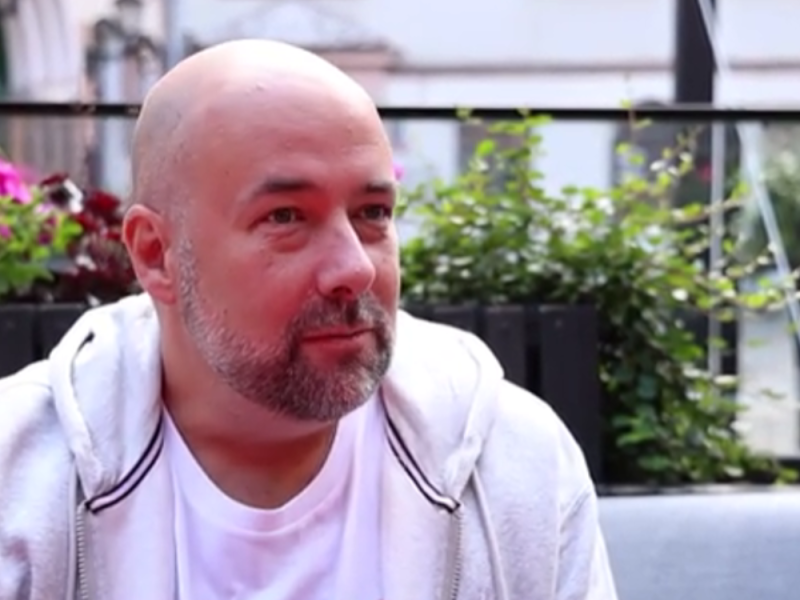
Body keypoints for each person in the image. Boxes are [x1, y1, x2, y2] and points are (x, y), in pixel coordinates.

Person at [0, 40, 618, 600]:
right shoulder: (19, 480)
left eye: (373, 213)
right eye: (286, 217)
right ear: (157, 254)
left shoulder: (514, 464)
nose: (355, 269)